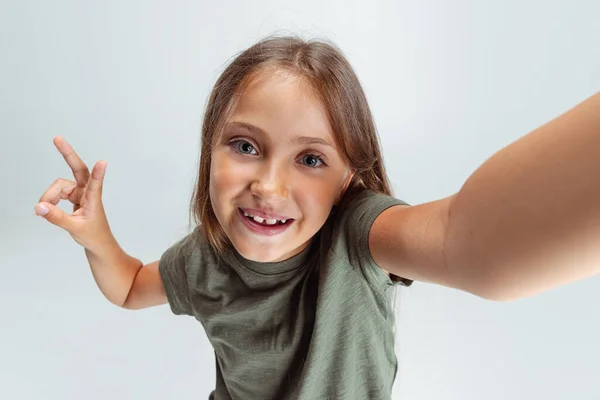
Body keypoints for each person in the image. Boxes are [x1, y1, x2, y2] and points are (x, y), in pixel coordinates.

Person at [34, 35, 600, 399]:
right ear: (209, 147)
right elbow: (132, 286)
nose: (269, 185)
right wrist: (95, 234)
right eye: (245, 146)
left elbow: (465, 241)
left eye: (310, 159)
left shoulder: (357, 234)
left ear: (349, 179)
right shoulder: (204, 258)